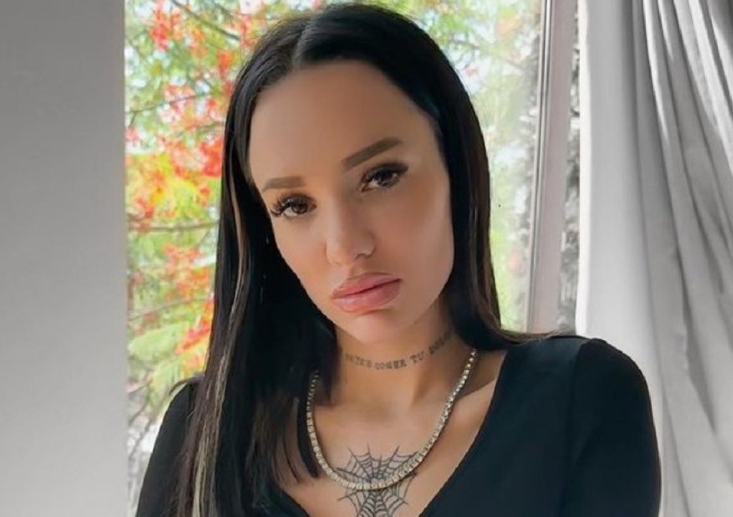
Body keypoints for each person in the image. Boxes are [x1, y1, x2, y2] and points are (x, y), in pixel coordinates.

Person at [136, 3, 661, 516]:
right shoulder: (204, 430)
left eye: (381, 177)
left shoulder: (579, 400)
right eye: (294, 205)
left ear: (455, 165)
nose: (345, 246)